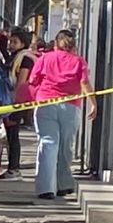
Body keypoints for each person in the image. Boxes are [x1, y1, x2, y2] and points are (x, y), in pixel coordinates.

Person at [30, 30, 95, 199]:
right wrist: (93, 103)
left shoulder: (45, 58)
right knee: (66, 145)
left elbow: (33, 80)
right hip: (71, 106)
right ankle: (64, 184)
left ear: (56, 43)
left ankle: (46, 188)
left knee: (48, 143)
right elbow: (84, 83)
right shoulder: (79, 61)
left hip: (45, 103)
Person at [0, 26, 37, 181]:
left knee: (13, 135)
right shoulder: (15, 56)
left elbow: (22, 81)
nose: (10, 44)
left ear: (23, 43)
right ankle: (11, 168)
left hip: (17, 101)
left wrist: (15, 102)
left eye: (15, 42)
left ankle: (14, 169)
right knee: (10, 134)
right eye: (10, 41)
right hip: (11, 98)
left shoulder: (25, 58)